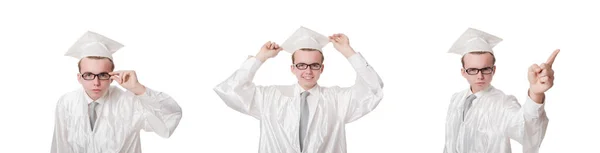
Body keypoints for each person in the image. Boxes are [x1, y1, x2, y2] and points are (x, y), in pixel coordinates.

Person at [213, 26, 384, 153]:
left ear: (321, 68)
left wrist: (349, 52)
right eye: (301, 65)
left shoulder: (338, 100)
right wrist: (259, 58)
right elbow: (231, 90)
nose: (308, 71)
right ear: (293, 68)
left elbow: (373, 89)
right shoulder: (270, 97)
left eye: (314, 65)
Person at [51, 31, 183, 153]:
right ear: (79, 78)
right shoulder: (66, 103)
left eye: (103, 75)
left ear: (112, 77)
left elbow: (169, 117)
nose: (96, 82)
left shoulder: (129, 102)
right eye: (89, 75)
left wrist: (137, 88)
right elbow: (60, 146)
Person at [443, 28, 556, 153]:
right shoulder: (456, 99)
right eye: (473, 70)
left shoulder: (503, 103)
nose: (480, 76)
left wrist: (536, 94)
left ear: (494, 70)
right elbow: (449, 141)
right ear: (463, 72)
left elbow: (525, 130)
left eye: (485, 69)